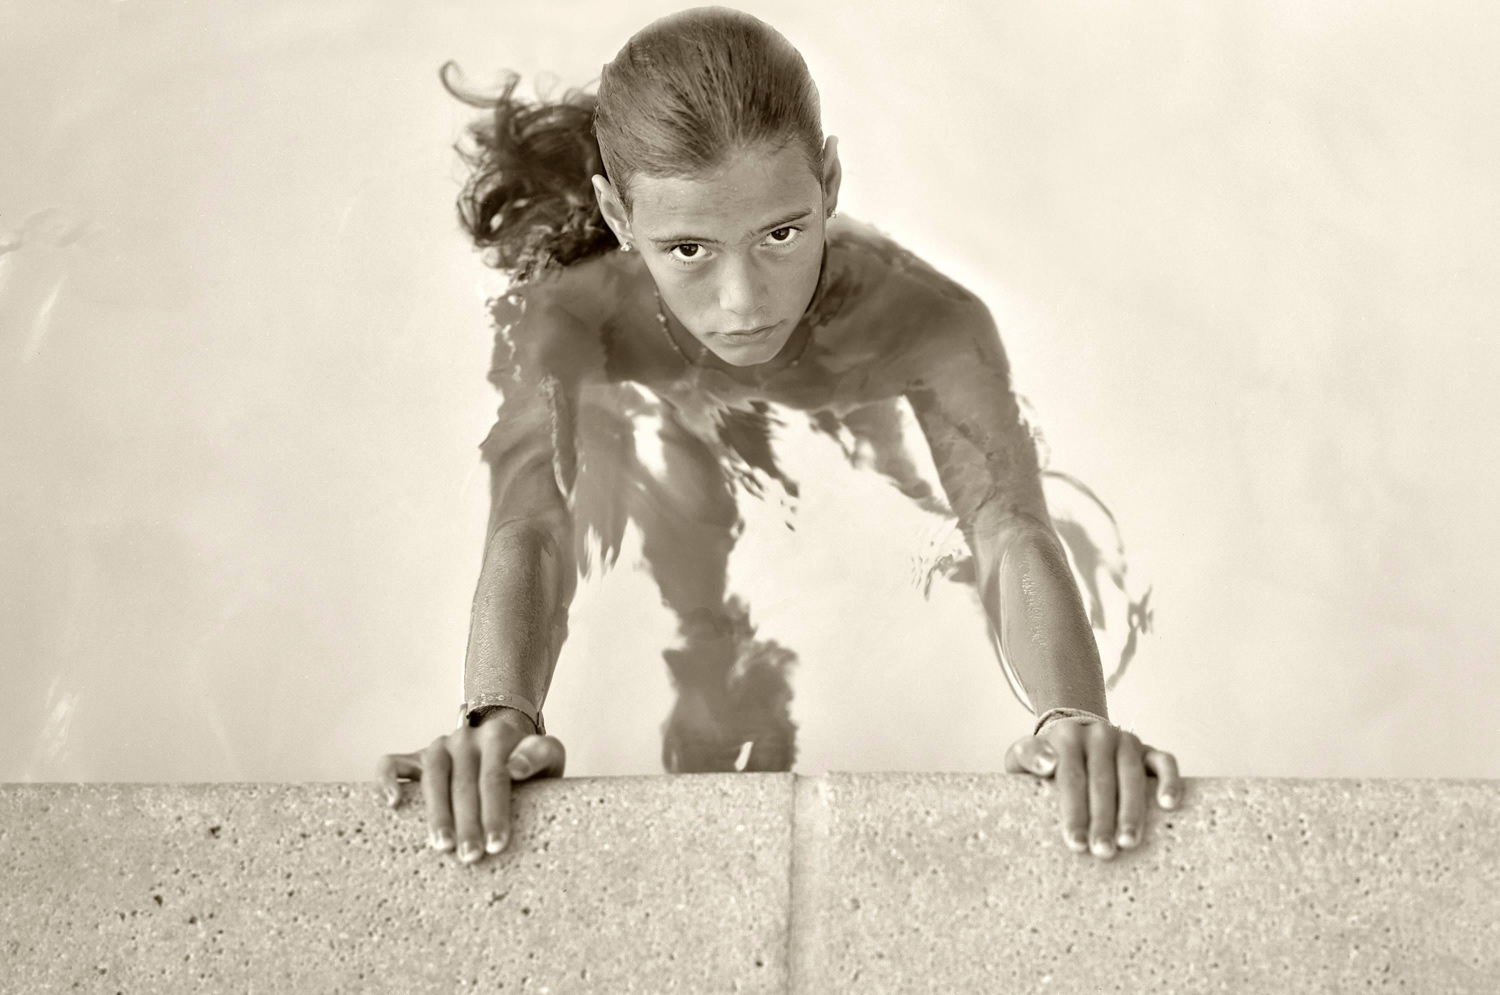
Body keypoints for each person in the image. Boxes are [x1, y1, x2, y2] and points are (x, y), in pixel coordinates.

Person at [376, 6, 1181, 867]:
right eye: (687, 248)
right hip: (645, 367)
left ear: (829, 179)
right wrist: (497, 717)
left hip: (839, 356)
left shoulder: (922, 321)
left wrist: (1072, 718)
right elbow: (533, 519)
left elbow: (1007, 523)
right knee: (680, 506)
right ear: (614, 214)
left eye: (782, 233)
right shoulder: (574, 319)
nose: (744, 303)